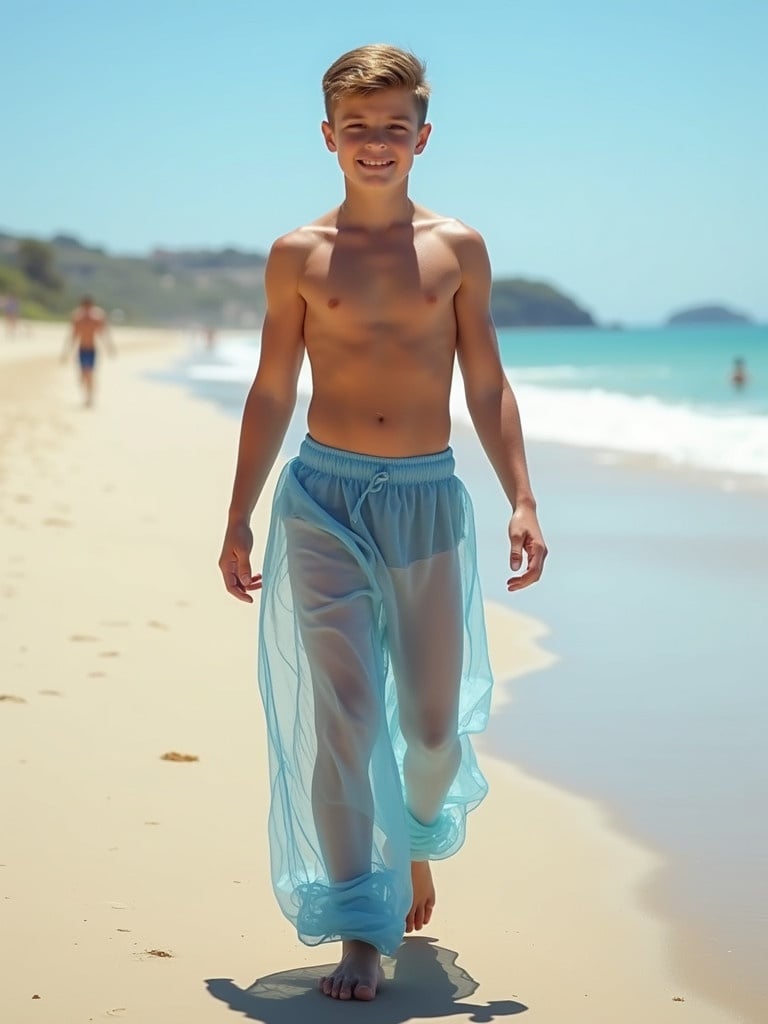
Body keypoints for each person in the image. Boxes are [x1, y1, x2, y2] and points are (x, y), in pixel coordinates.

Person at [218, 44, 547, 1002]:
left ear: (423, 137)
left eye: (392, 127)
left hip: (426, 499)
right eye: (356, 128)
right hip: (321, 498)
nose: (374, 143)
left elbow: (484, 380)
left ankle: (412, 844)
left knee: (434, 728)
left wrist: (521, 493)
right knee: (345, 720)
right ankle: (359, 927)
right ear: (328, 137)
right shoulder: (298, 256)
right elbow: (274, 385)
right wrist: (238, 514)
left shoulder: (458, 249)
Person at [61, 295, 114, 405]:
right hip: (81, 350)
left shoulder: (97, 318)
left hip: (92, 350)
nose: (87, 310)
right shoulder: (77, 318)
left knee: (90, 374)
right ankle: (86, 395)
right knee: (82, 376)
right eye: (85, 307)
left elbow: (103, 333)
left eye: (89, 307)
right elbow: (73, 336)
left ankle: (89, 398)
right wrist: (66, 352)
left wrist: (109, 347)